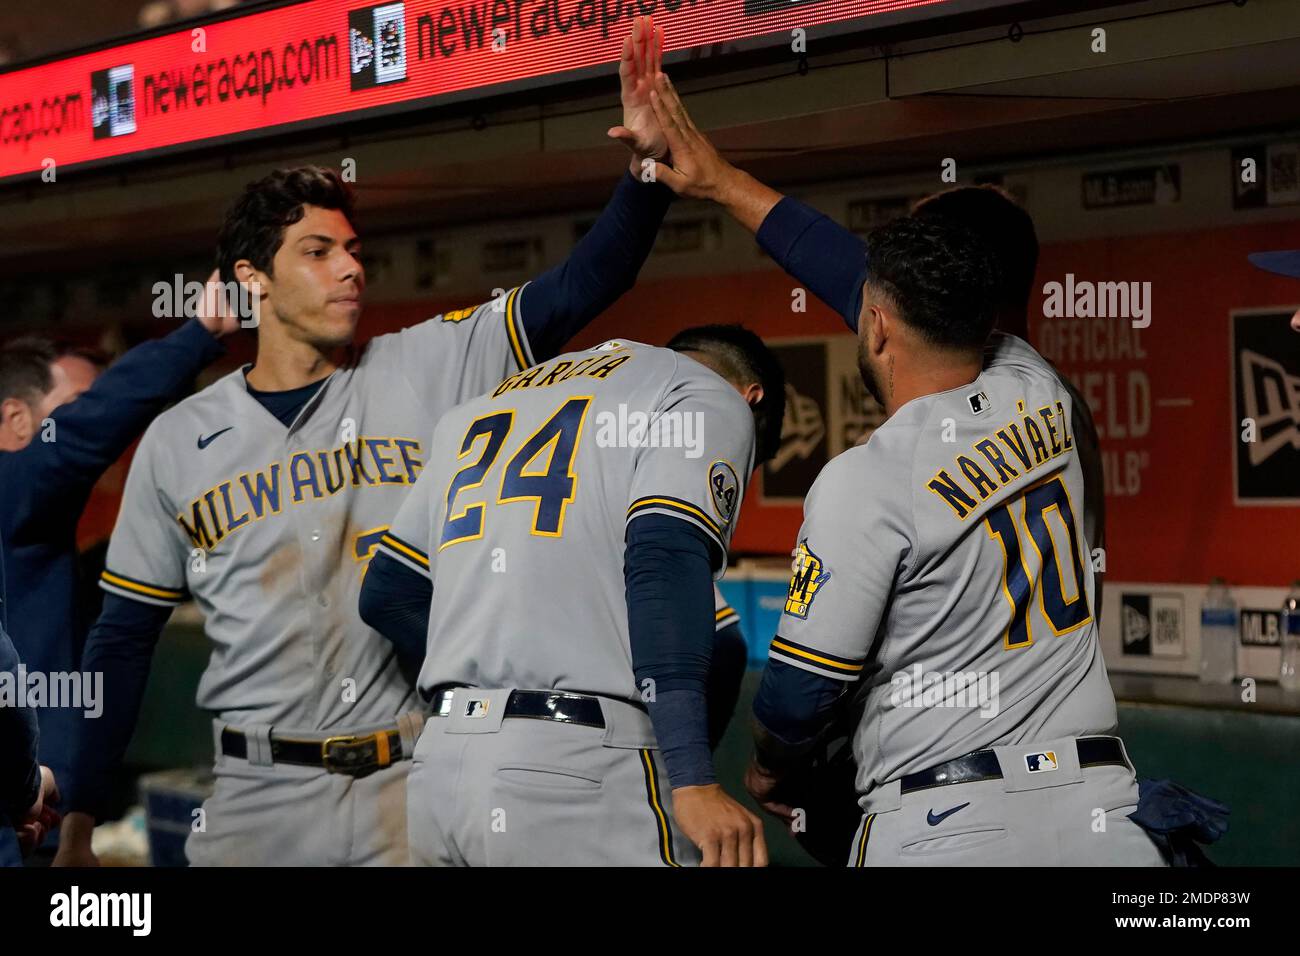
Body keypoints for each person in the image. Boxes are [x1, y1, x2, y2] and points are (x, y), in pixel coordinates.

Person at [57, 17, 682, 867]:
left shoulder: (430, 360)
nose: (350, 267)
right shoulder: (179, 439)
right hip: (256, 798)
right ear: (253, 281)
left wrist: (646, 169)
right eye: (316, 252)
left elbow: (584, 285)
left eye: (353, 250)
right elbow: (123, 639)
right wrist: (81, 819)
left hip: (412, 777)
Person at [641, 70, 1163, 866]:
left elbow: (795, 700)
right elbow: (873, 280)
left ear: (881, 323)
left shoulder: (867, 478)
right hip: (1100, 814)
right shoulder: (1044, 394)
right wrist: (724, 183)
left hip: (945, 822)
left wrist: (771, 764)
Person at [361, 325, 783, 866]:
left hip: (439, 770)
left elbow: (385, 594)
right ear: (751, 399)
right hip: (574, 771)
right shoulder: (705, 395)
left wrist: (505, 659)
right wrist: (693, 777)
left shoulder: (491, 399)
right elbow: (666, 570)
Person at [0, 307, 233, 859]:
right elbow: (101, 424)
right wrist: (201, 332)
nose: (96, 422)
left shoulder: (38, 538)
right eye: (79, 406)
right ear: (15, 421)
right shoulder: (9, 488)